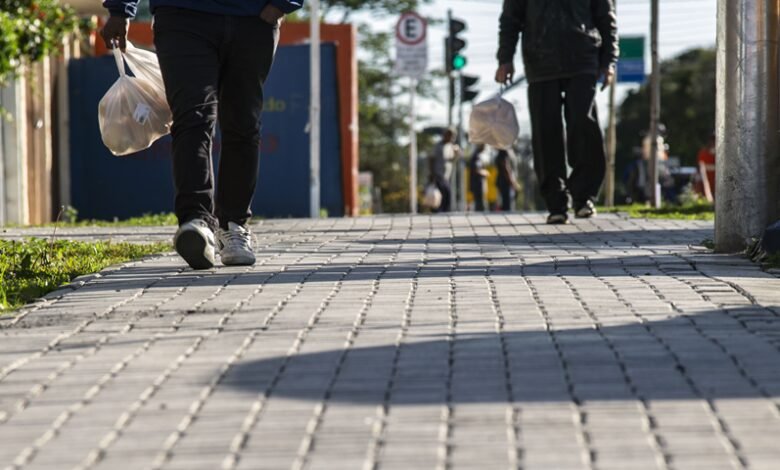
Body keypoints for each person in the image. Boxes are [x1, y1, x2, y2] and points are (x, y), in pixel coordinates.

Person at [100, 0, 303, 270]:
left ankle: (234, 226)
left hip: (253, 19)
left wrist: (283, 3)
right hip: (182, 17)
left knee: (243, 123)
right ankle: (196, 222)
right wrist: (120, 9)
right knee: (192, 116)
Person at [495, 0, 618, 224]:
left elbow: (605, 17)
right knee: (545, 132)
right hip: (540, 61)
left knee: (583, 123)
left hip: (582, 57)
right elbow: (510, 19)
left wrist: (609, 61)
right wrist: (505, 59)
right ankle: (556, 203)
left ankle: (583, 197)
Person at [428, 128, 459, 213]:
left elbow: (452, 160)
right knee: (446, 193)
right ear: (445, 135)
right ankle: (441, 211)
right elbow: (431, 159)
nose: (452, 138)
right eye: (451, 136)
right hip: (438, 174)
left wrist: (457, 154)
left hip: (446, 175)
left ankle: (442, 211)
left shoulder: (450, 147)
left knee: (445, 194)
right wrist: (431, 173)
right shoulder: (438, 146)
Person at [469, 144, 489, 212]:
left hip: (478, 184)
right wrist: (485, 172)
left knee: (480, 203)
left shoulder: (478, 156)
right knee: (480, 204)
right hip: (477, 184)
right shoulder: (476, 156)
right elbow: (476, 170)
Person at [697, 133, 716, 203]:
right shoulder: (703, 152)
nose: (713, 143)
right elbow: (701, 168)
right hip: (706, 180)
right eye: (712, 140)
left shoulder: (720, 153)